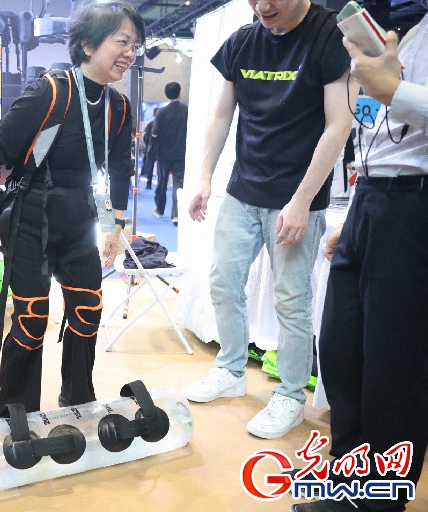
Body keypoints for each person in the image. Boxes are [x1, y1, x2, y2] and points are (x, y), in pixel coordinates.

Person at [183, 0, 356, 440]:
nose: (262, 5)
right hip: (243, 190)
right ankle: (230, 369)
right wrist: (204, 177)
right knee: (223, 282)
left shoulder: (328, 35)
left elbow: (339, 125)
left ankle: (292, 395)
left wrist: (302, 200)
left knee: (291, 300)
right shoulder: (243, 40)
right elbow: (222, 113)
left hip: (297, 197)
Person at [0, 1, 144, 414]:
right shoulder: (51, 92)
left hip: (81, 221)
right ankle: (15, 413)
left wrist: (114, 226)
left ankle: (78, 399)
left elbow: (115, 171)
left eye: (135, 46)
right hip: (31, 216)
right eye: (122, 41)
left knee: (87, 310)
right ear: (87, 44)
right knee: (32, 318)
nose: (130, 53)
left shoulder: (119, 108)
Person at [294, 13, 428, 512]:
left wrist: (394, 90)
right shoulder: (406, 28)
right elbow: (376, 135)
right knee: (342, 347)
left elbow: (397, 105)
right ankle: (351, 471)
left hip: (416, 200)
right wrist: (354, 214)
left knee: (395, 358)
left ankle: (380, 499)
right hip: (371, 195)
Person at [151, 82, 187, 224]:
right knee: (178, 184)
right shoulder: (187, 111)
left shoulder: (161, 112)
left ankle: (160, 210)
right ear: (180, 93)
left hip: (163, 154)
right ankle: (176, 214)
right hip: (181, 153)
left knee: (162, 182)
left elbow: (154, 134)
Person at [141, 108, 158, 189]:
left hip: (151, 148)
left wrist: (147, 145)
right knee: (161, 168)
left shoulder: (150, 124)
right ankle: (160, 185)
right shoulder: (165, 124)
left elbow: (146, 137)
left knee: (150, 166)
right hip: (162, 149)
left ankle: (149, 184)